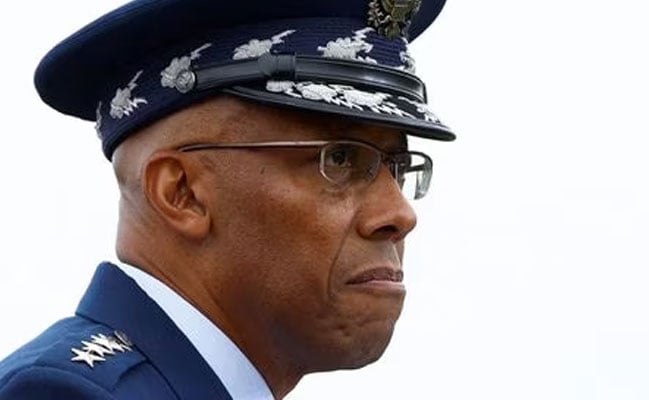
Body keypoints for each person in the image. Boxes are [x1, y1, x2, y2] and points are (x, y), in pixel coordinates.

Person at [0, 0, 455, 398]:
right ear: (181, 193)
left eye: (397, 167)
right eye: (340, 160)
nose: (399, 214)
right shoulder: (67, 394)